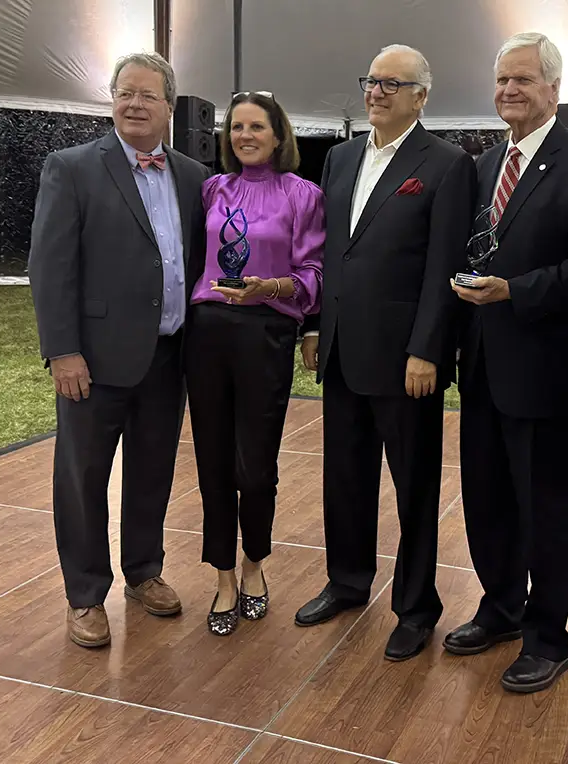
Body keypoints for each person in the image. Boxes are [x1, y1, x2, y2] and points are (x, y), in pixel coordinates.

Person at [447, 32, 568, 693]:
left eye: (523, 80)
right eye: (501, 81)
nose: (509, 91)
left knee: (547, 510)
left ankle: (549, 637)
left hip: (549, 372)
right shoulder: (487, 163)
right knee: (487, 497)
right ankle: (500, 607)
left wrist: (515, 292)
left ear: (554, 88)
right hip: (485, 364)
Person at [295, 44, 477, 661]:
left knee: (414, 487)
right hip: (343, 351)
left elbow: (443, 267)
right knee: (344, 480)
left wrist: (429, 349)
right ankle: (346, 582)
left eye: (392, 84)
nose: (377, 92)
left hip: (407, 363)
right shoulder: (342, 158)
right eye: (372, 80)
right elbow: (328, 255)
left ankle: (416, 606)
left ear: (421, 96)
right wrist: (315, 327)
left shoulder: (448, 164)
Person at [28, 52, 210, 648]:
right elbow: (50, 268)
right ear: (112, 100)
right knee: (81, 477)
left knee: (154, 471)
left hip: (168, 357)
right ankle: (84, 594)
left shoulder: (191, 175)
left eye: (147, 95)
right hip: (93, 361)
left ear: (169, 106)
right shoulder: (72, 167)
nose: (134, 104)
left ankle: (143, 571)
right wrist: (62, 352)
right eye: (124, 92)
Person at [185, 91, 324, 635]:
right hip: (208, 333)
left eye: (256, 127)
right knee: (213, 459)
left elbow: (314, 273)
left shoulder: (304, 195)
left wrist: (273, 287)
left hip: (265, 332)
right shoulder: (211, 189)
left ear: (278, 135)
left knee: (256, 464)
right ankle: (222, 574)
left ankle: (254, 564)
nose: (245, 135)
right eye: (236, 127)